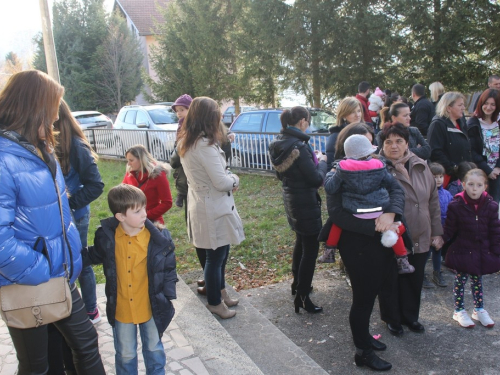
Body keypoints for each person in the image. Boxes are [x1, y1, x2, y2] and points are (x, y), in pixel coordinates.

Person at [0, 70, 105, 374]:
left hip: (58, 274)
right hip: (30, 278)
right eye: (53, 106)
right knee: (37, 365)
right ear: (35, 105)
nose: (57, 116)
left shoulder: (40, 147)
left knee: (84, 345)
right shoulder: (5, 157)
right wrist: (41, 268)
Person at [321, 123, 403, 371]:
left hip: (382, 237)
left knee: (377, 288)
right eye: (366, 146)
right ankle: (362, 352)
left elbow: (396, 190)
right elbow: (337, 214)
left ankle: (365, 337)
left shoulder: (377, 166)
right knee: (363, 298)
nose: (372, 154)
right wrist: (377, 227)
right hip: (356, 242)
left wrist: (390, 214)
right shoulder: (338, 172)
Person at [83, 184, 177, 374]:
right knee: (125, 355)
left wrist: (167, 296)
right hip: (122, 308)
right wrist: (66, 258)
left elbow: (169, 270)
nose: (144, 213)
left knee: (154, 350)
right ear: (120, 217)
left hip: (150, 307)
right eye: (137, 211)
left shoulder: (158, 239)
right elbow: (91, 255)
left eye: (144, 207)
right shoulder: (107, 237)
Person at [48, 100, 105, 374]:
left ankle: (91, 310)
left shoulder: (77, 146)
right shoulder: (42, 143)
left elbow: (96, 185)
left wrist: (68, 204)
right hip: (54, 220)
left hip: (76, 216)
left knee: (80, 263)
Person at [177, 97, 245, 319]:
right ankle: (215, 302)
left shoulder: (191, 141)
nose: (220, 118)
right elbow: (221, 181)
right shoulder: (203, 146)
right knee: (215, 257)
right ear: (209, 117)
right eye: (217, 113)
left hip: (205, 204)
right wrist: (235, 179)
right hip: (212, 207)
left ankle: (220, 291)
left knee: (217, 256)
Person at [379, 123, 444, 337]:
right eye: (388, 142)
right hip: (392, 236)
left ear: (408, 143)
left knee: (414, 280)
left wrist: (437, 232)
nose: (394, 146)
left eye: (399, 141)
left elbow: (433, 201)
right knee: (391, 280)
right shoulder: (377, 168)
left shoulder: (421, 165)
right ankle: (392, 319)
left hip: (421, 232)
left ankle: (410, 317)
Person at [323, 134, 413, 274]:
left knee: (336, 224)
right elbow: (393, 186)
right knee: (394, 229)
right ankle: (403, 260)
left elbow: (330, 188)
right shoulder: (379, 166)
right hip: (379, 210)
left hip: (353, 210)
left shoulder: (342, 169)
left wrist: (330, 174)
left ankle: (329, 250)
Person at [269, 106, 327, 313]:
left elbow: (281, 175)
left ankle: (297, 285)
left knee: (301, 242)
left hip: (291, 199)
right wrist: (321, 162)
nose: (309, 126)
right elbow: (316, 179)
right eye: (308, 122)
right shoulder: (300, 147)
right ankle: (303, 296)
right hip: (305, 201)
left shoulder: (277, 143)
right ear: (303, 121)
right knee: (310, 250)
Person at [443, 169, 500, 328]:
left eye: (479, 185)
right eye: (471, 184)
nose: (474, 188)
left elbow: (495, 229)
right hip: (462, 249)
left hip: (481, 250)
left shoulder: (491, 206)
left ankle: (479, 309)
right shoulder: (456, 205)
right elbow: (450, 228)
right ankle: (459, 310)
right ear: (463, 185)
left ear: (485, 187)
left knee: (477, 280)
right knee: (460, 280)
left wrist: (496, 250)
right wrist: (441, 240)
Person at [427, 92, 472, 189]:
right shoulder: (437, 124)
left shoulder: (461, 122)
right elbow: (435, 151)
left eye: (463, 105)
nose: (463, 108)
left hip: (463, 176)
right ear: (448, 108)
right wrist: (453, 169)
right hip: (447, 178)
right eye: (460, 105)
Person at [123, 144, 173, 224]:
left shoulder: (158, 175)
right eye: (128, 160)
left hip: (151, 221)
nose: (128, 164)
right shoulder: (129, 173)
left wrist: (146, 215)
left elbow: (167, 202)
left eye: (131, 160)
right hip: (132, 220)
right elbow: (122, 194)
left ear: (141, 159)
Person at [422, 163, 453, 288]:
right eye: (435, 176)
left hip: (442, 228)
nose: (439, 179)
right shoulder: (425, 193)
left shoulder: (447, 194)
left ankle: (437, 272)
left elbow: (451, 208)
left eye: (441, 176)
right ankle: (421, 274)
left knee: (438, 251)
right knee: (426, 252)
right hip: (428, 228)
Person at [467, 89, 500, 202]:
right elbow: (471, 150)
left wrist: (497, 168)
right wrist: (487, 170)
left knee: (493, 206)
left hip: (496, 173)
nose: (488, 107)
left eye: (492, 104)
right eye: (486, 103)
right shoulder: (473, 123)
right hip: (480, 172)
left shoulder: (498, 122)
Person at [325, 97, 363, 169]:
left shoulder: (367, 132)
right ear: (344, 115)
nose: (357, 115)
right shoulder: (336, 135)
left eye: (359, 111)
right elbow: (330, 163)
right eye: (352, 112)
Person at [171, 94, 193, 209]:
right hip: (180, 149)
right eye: (177, 110)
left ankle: (181, 193)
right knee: (180, 173)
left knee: (183, 175)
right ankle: (181, 193)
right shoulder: (180, 122)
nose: (179, 113)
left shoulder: (191, 122)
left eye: (182, 110)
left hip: (185, 149)